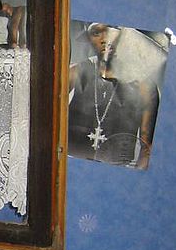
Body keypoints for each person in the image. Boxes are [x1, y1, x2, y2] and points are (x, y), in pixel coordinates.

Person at [68, 23, 159, 168]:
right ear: (88, 38)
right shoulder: (74, 72)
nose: (105, 39)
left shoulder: (144, 86)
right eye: (97, 33)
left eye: (112, 31)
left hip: (117, 168)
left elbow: (147, 148)